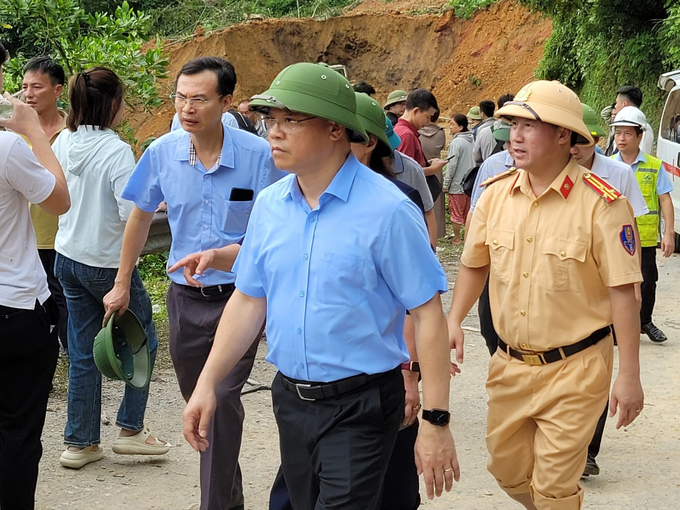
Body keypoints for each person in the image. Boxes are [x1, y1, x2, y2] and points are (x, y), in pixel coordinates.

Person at [182, 62, 459, 510]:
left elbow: (428, 313)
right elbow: (249, 301)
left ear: (335, 130)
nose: (275, 132)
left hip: (362, 403)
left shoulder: (387, 211)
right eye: (272, 120)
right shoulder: (272, 205)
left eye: (292, 119)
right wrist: (207, 384)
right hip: (291, 400)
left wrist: (435, 420)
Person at [448, 80, 644, 510]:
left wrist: (629, 374)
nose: (515, 135)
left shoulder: (603, 205)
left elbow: (623, 294)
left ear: (563, 135)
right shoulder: (496, 195)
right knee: (507, 472)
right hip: (511, 364)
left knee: (555, 484)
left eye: (529, 126)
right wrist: (453, 320)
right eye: (512, 124)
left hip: (577, 366)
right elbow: (473, 263)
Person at [103, 57, 284, 510]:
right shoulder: (162, 152)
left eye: (200, 98)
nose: (187, 107)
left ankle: (214, 505)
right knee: (201, 405)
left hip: (241, 298)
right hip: (184, 299)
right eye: (181, 97)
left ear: (226, 102)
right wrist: (122, 282)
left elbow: (281, 224)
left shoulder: (260, 157)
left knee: (219, 399)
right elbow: (141, 216)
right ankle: (229, 497)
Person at [51, 67, 168, 470]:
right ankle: (131, 430)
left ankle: (80, 443)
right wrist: (151, 205)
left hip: (67, 259)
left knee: (83, 351)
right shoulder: (116, 150)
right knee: (144, 341)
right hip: (106, 265)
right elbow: (127, 214)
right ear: (111, 103)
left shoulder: (64, 139)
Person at [0, 40, 70, 510]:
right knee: (17, 432)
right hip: (15, 307)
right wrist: (35, 135)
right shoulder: (8, 147)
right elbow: (59, 200)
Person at [570, 102, 648, 478]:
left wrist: (632, 288)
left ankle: (587, 450)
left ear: (595, 141)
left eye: (581, 142)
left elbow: (629, 229)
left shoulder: (618, 174)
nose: (573, 150)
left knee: (596, 369)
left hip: (606, 287)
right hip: (566, 286)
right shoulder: (550, 173)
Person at [611, 105, 675, 343]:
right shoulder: (607, 165)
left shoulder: (654, 165)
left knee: (648, 282)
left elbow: (665, 199)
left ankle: (644, 321)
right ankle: (616, 327)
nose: (621, 138)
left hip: (646, 238)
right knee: (616, 282)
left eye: (627, 133)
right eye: (618, 133)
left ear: (640, 136)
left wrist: (669, 233)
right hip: (615, 238)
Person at [22, 55, 70, 353]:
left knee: (63, 305)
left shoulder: (73, 133)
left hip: (62, 237)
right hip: (23, 240)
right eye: (24, 86)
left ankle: (70, 357)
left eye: (37, 87)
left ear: (57, 90)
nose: (28, 94)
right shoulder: (13, 135)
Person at [443, 113, 474, 244]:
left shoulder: (456, 143)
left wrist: (446, 183)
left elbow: (451, 165)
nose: (450, 127)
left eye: (452, 124)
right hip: (470, 182)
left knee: (456, 213)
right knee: (468, 212)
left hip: (457, 183)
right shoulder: (472, 139)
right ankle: (468, 236)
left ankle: (456, 238)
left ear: (461, 127)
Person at [605, 85, 654, 156]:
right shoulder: (618, 123)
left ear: (624, 104)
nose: (615, 106)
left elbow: (642, 157)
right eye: (618, 133)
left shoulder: (643, 127)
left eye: (616, 103)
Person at [472, 98, 497, 163]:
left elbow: (476, 157)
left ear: (482, 113)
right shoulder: (499, 125)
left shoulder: (480, 129)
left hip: (487, 164)